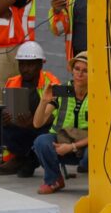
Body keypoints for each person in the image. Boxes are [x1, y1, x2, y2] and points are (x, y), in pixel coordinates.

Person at [0, 41, 61, 176]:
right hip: (22, 126)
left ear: (40, 64)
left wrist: (35, 121)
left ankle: (30, 159)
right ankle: (22, 157)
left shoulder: (52, 82)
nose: (25, 69)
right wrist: (6, 119)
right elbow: (10, 110)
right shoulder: (13, 82)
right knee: (1, 126)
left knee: (47, 133)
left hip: (43, 126)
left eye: (30, 64)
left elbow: (58, 115)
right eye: (22, 64)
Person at [32, 52, 89, 194]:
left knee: (98, 151)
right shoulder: (63, 90)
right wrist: (44, 101)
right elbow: (37, 123)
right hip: (61, 141)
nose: (80, 74)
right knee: (41, 141)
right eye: (77, 69)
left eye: (85, 70)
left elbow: (102, 133)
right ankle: (54, 180)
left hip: (86, 144)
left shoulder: (99, 93)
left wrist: (72, 147)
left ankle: (99, 186)